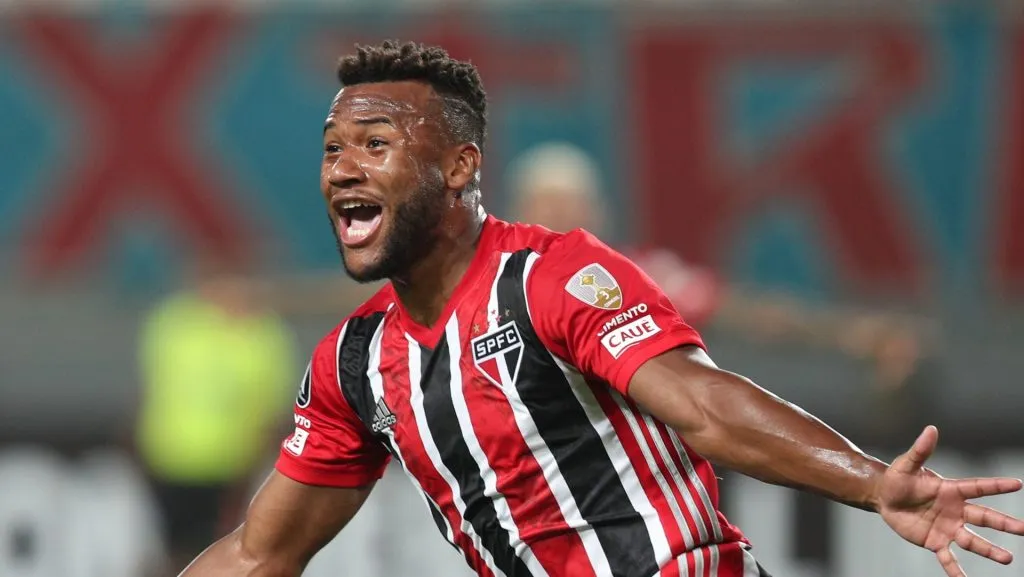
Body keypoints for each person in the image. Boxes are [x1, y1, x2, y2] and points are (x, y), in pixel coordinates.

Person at [180, 41, 1024, 577]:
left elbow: (705, 406)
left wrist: (870, 479)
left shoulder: (559, 277)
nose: (342, 169)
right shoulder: (354, 364)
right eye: (333, 150)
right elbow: (261, 551)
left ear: (462, 167)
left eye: (375, 144)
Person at [507, 142, 941, 446]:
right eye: (547, 204)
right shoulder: (487, 289)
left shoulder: (633, 275)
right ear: (519, 213)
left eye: (570, 204)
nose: (559, 217)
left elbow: (746, 313)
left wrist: (859, 335)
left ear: (599, 212)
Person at [136, 257, 298, 573]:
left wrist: (255, 463)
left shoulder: (263, 335)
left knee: (220, 548)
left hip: (228, 465)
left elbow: (269, 408)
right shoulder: (174, 323)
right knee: (176, 546)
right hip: (169, 459)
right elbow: (156, 389)